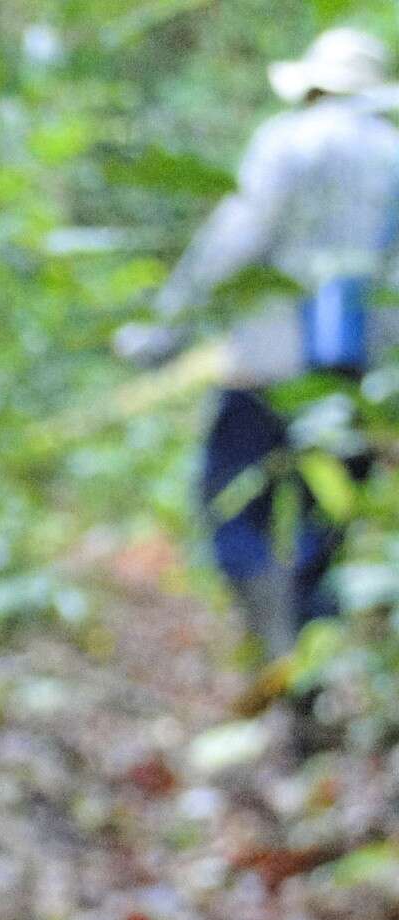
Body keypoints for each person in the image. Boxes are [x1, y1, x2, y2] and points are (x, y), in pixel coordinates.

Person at [116, 27, 399, 662]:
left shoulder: (288, 143)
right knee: (322, 528)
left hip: (264, 367)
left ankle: (272, 643)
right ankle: (306, 669)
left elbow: (230, 245)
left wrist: (162, 335)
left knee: (232, 510)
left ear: (314, 86)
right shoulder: (394, 154)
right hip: (352, 383)